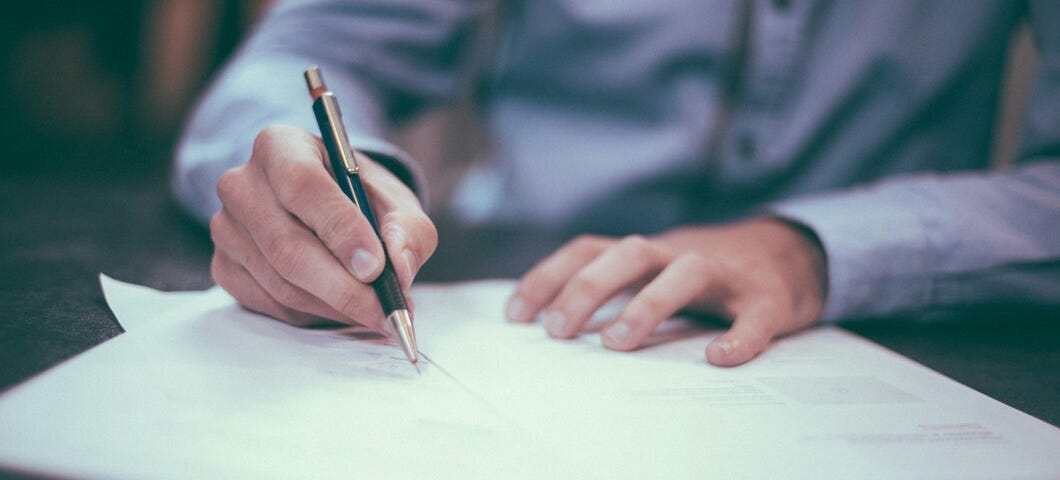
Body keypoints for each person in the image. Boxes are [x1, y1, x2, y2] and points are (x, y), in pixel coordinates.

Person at [173, 0, 1060, 367]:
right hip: (523, 300)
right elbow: (303, 56)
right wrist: (328, 184)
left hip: (891, 333)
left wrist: (815, 249)